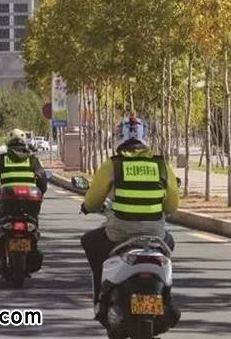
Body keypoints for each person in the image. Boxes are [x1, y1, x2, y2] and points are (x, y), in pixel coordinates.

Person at [80, 115, 180, 315]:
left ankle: (100, 298)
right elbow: (171, 206)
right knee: (169, 243)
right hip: (155, 234)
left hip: (119, 234)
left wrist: (87, 207)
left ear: (119, 136)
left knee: (89, 242)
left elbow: (92, 201)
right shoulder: (161, 165)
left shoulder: (113, 165)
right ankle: (166, 296)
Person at [0, 128, 47, 247]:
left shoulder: (2, 159)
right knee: (33, 221)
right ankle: (34, 244)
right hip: (30, 204)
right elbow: (42, 181)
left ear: (8, 143)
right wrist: (40, 192)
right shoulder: (33, 159)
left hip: (8, 204)